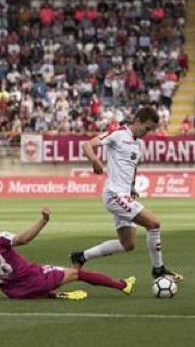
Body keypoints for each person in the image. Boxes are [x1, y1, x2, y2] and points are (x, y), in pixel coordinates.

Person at [0, 207, 135, 303]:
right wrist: (43, 221)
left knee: (44, 275)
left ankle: (51, 294)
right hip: (35, 279)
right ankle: (122, 286)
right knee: (77, 274)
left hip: (13, 293)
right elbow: (24, 239)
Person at [70, 106, 183, 282]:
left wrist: (131, 187)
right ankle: (158, 269)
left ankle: (81, 256)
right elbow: (88, 145)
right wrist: (95, 161)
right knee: (154, 223)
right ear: (137, 121)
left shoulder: (138, 143)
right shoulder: (118, 133)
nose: (147, 132)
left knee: (128, 244)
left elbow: (132, 167)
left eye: (151, 130)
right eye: (146, 128)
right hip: (114, 194)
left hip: (124, 195)